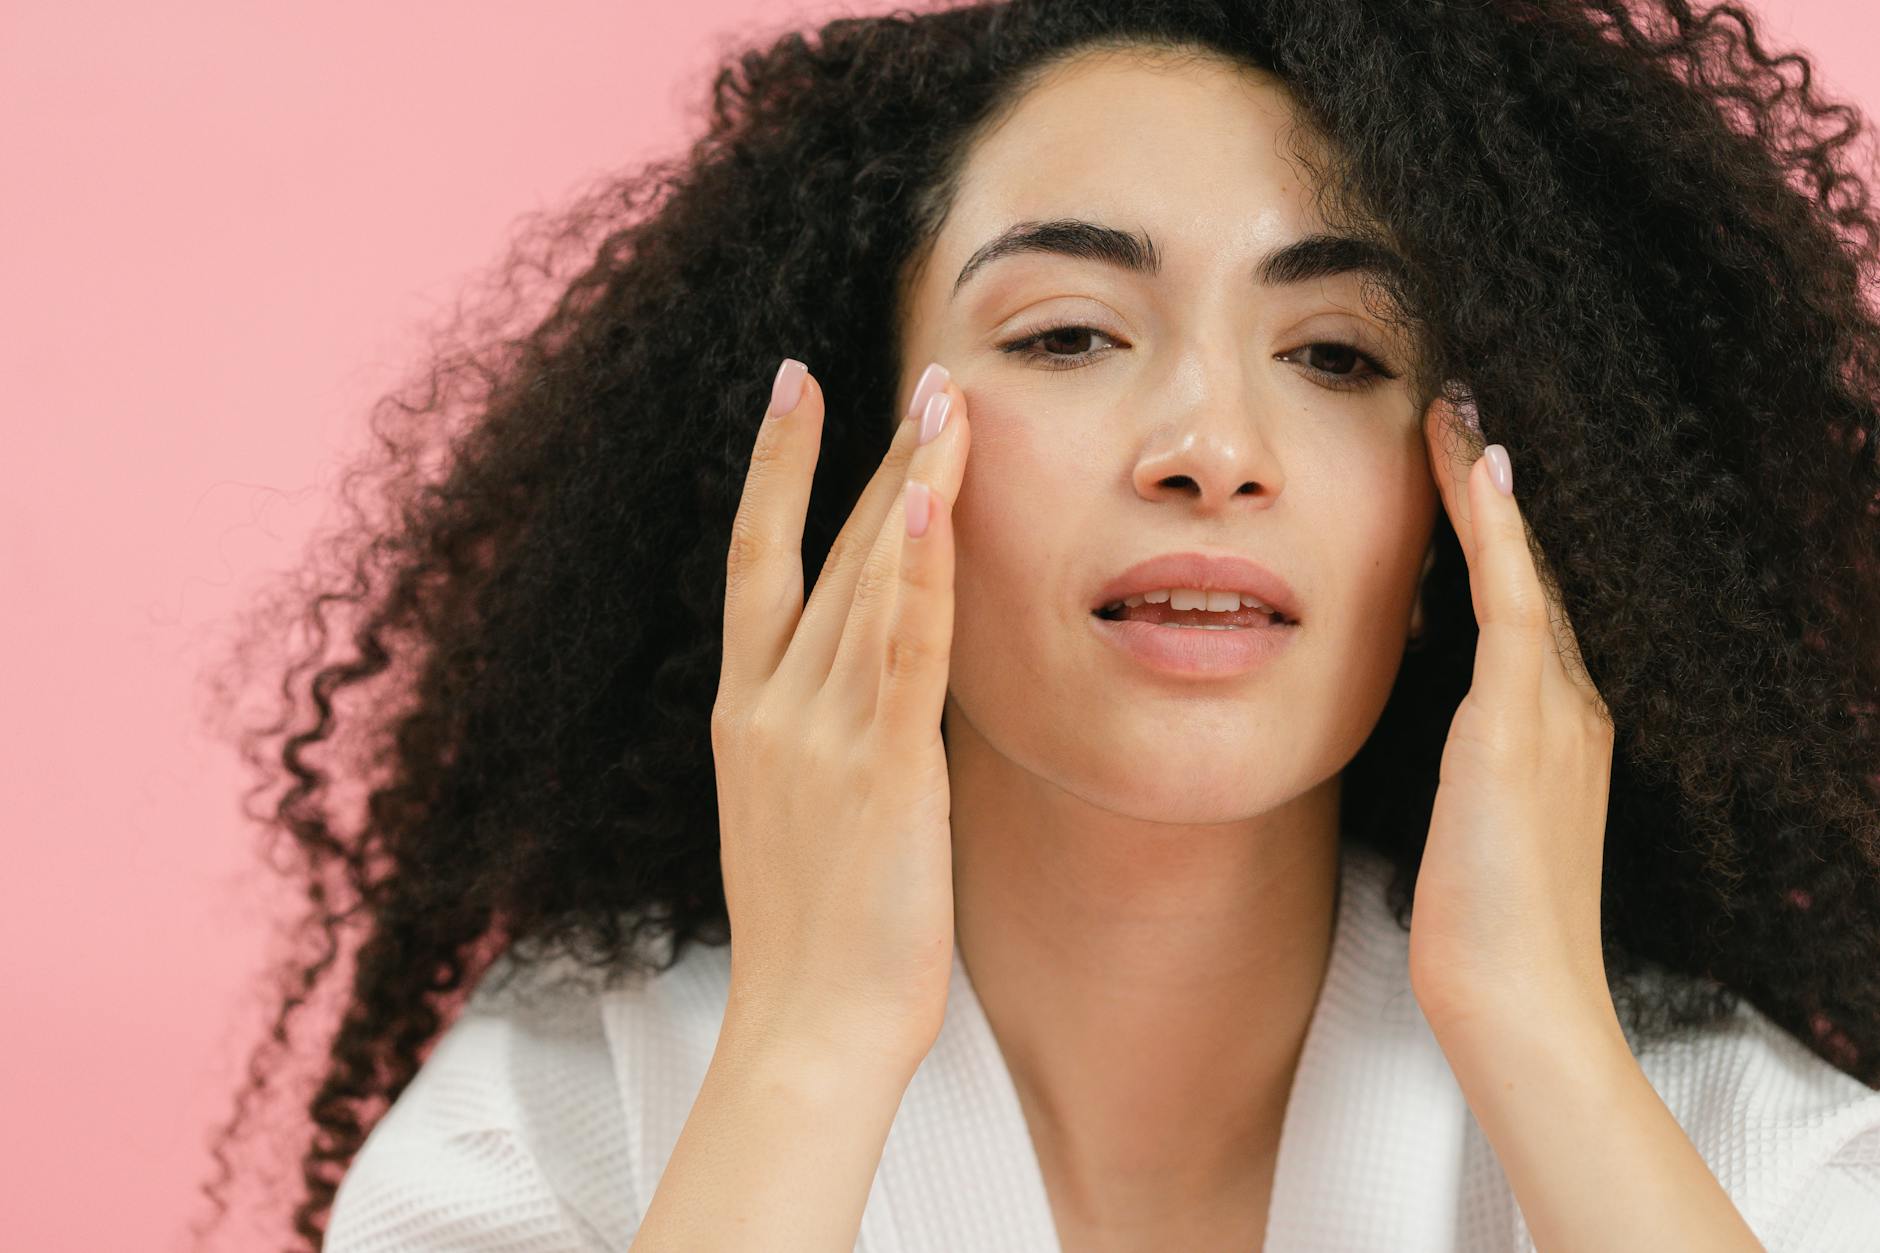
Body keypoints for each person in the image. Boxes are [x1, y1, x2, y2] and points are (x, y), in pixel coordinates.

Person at [193, 1, 1880, 1250]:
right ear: (870, 460)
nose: (1211, 447)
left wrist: (1545, 1041)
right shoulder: (559, 1108)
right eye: (1069, 334)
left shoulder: (1746, 1144)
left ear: (1456, 522)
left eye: (1339, 354)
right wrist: (806, 1053)